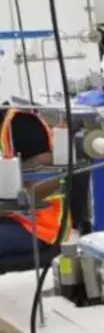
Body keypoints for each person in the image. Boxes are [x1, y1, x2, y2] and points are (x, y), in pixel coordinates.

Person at [0, 104, 68, 257]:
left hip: (40, 226)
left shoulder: (21, 124)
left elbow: (51, 178)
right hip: (12, 218)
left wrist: (11, 201)